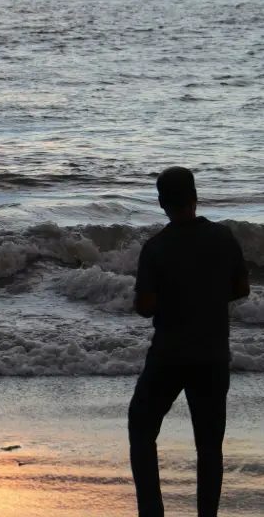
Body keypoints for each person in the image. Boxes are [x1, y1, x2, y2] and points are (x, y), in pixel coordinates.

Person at [130, 166, 250, 517]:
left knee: (141, 428)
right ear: (196, 197)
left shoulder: (156, 248)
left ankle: (152, 512)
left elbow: (145, 306)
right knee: (209, 446)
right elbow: (242, 288)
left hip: (168, 355)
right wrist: (208, 296)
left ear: (161, 203)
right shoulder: (224, 238)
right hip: (212, 355)